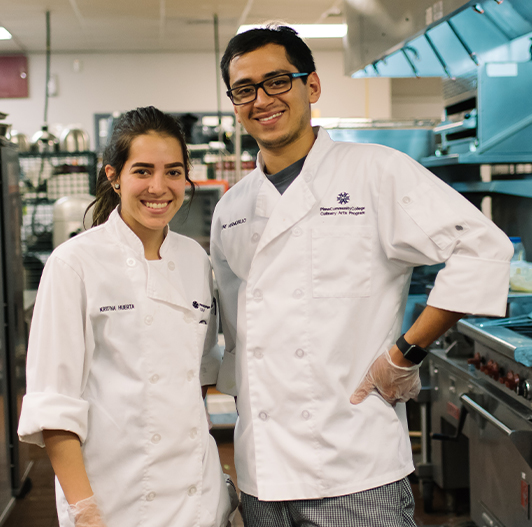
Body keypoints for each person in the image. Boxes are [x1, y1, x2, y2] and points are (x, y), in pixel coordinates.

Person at [210, 25, 513, 526]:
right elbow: (240, 338)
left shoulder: (375, 172)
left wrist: (406, 353)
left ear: (312, 87)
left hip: (356, 466)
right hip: (263, 469)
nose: (261, 99)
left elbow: (482, 246)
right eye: (244, 89)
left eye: (278, 81)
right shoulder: (231, 210)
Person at [18, 106, 236, 527]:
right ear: (113, 176)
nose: (159, 187)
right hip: (115, 500)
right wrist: (85, 512)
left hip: (198, 499)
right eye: (142, 171)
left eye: (173, 172)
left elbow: (198, 383)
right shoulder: (74, 264)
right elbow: (55, 407)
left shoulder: (195, 260)